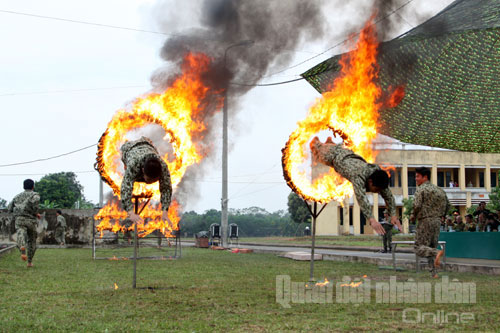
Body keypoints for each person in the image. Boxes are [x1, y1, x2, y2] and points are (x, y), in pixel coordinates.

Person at [310, 137, 402, 235]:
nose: (377, 192)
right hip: (332, 157)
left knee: (332, 148)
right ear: (370, 182)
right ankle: (320, 143)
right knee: (315, 149)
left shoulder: (377, 175)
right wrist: (372, 220)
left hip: (346, 153)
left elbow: (389, 196)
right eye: (376, 190)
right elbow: (361, 198)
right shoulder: (358, 175)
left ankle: (329, 143)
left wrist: (393, 215)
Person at [120, 136, 172, 223]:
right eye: (148, 179)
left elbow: (166, 189)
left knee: (165, 182)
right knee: (127, 172)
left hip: (148, 146)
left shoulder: (163, 167)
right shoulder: (133, 165)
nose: (150, 182)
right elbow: (125, 189)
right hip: (129, 149)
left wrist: (165, 212)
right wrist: (130, 213)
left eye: (153, 180)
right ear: (143, 171)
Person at [410, 167, 450, 277]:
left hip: (425, 220)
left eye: (418, 176)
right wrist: (442, 216)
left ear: (425, 177)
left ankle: (436, 253)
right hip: (437, 221)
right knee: (431, 245)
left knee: (418, 247)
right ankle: (434, 273)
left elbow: (417, 205)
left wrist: (413, 215)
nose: (415, 179)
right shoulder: (439, 190)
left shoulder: (421, 189)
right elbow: (448, 205)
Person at [7, 179, 40, 267]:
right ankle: (29, 262)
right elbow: (35, 207)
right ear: (33, 186)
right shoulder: (35, 195)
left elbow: (9, 209)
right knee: (32, 240)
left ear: (23, 186)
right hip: (31, 220)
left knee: (20, 233)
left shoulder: (17, 196)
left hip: (19, 219)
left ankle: (22, 245)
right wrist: (36, 213)